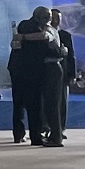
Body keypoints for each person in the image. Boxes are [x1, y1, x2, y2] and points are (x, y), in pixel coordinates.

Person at [8, 8, 51, 145]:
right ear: (40, 18)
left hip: (16, 69)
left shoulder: (22, 25)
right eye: (47, 18)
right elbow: (44, 38)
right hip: (31, 71)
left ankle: (18, 134)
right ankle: (36, 136)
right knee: (35, 105)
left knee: (18, 103)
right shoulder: (36, 29)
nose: (49, 21)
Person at [39, 8, 75, 147]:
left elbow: (71, 56)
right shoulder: (44, 31)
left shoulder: (64, 35)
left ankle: (60, 129)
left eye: (58, 18)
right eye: (53, 18)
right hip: (47, 72)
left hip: (61, 72)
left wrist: (72, 74)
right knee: (48, 102)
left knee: (61, 103)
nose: (55, 20)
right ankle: (47, 128)